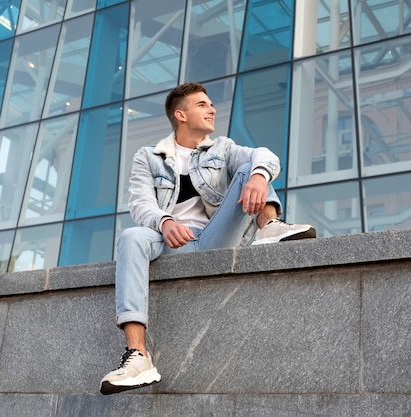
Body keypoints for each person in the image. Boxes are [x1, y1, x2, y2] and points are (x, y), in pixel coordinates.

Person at [100, 82, 316, 395]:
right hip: (172, 242)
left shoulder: (222, 149)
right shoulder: (149, 157)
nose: (211, 109)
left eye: (211, 104)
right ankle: (138, 357)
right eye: (202, 104)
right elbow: (140, 203)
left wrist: (258, 177)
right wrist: (165, 221)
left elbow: (264, 156)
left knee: (250, 167)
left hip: (215, 237)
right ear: (181, 114)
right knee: (132, 237)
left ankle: (269, 225)